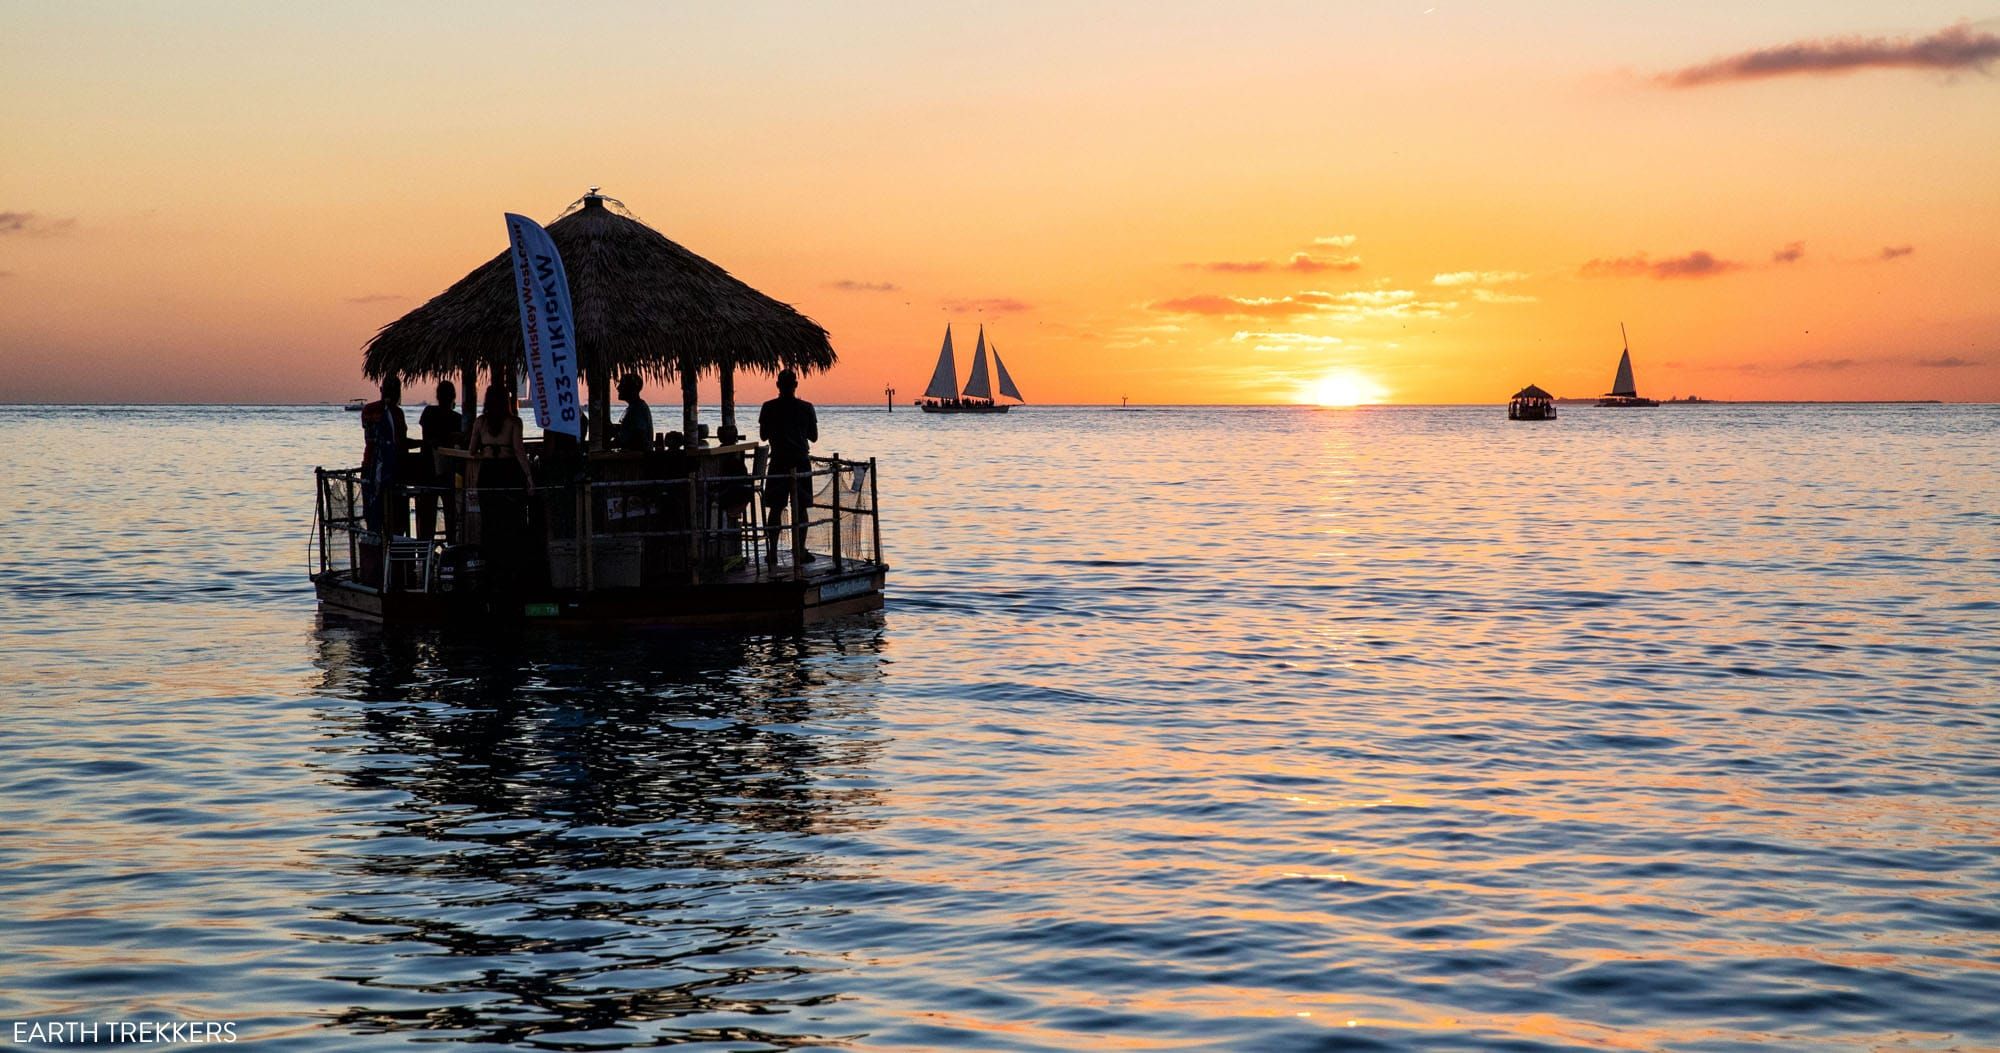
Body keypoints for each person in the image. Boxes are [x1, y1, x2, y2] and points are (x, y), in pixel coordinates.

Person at [467, 385, 535, 591]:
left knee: (490, 522)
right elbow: (519, 451)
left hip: (487, 473)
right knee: (511, 523)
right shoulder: (514, 422)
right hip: (508, 473)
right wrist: (529, 477)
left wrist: (486, 448)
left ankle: (490, 571)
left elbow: (471, 451)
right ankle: (511, 572)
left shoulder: (480, 422)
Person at [758, 368, 818, 567]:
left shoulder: (768, 407)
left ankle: (773, 552)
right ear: (796, 385)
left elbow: (763, 435)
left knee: (776, 507)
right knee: (800, 508)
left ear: (777, 385)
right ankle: (799, 551)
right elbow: (814, 436)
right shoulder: (806, 407)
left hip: (778, 461)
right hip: (800, 460)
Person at [359, 375, 408, 535]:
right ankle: (389, 551)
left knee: (375, 518)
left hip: (379, 469)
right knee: (393, 519)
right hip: (386, 470)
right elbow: (399, 442)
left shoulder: (370, 409)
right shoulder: (394, 413)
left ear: (381, 390)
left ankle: (382, 550)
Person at [415, 380, 462, 540]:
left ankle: (424, 554)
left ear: (438, 396)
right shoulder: (457, 419)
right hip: (447, 471)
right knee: (450, 513)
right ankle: (451, 545)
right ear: (453, 397)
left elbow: (426, 437)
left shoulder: (428, 413)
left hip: (427, 470)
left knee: (427, 516)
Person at [616, 373, 653, 453]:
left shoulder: (638, 409)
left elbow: (638, 437)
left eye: (622, 385)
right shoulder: (635, 407)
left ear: (631, 389)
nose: (618, 388)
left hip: (637, 460)